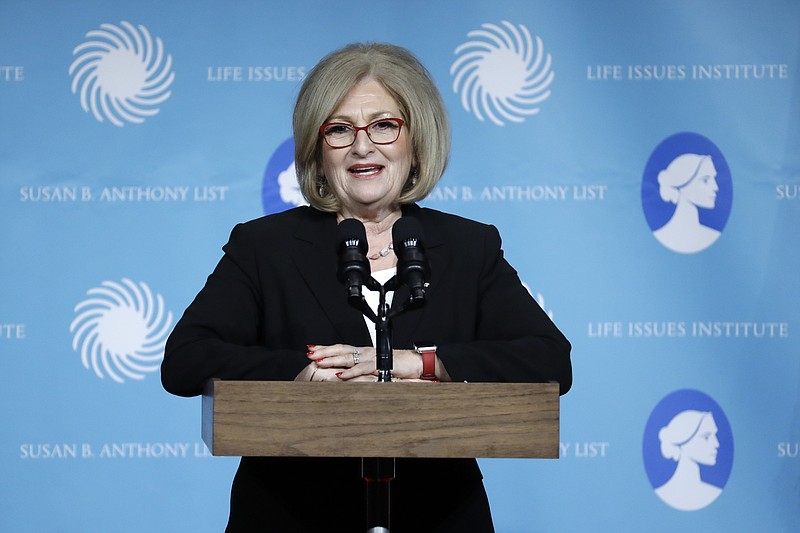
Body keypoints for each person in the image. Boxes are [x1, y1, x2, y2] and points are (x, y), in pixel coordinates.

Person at [161, 42, 572, 532]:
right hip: (292, 514)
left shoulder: (468, 246)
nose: (362, 146)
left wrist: (421, 361)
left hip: (437, 514)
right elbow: (185, 358)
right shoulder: (264, 247)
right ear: (318, 150)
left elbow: (550, 359)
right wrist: (304, 371)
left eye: (383, 125)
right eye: (339, 129)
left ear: (416, 139)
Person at [652, 153, 721, 253]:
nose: (715, 187)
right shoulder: (662, 235)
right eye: (705, 180)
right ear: (682, 184)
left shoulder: (713, 235)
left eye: (714, 178)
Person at [655, 410, 722, 511]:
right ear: (683, 441)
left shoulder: (714, 491)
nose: (717, 444)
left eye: (715, 435)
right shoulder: (664, 492)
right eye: (706, 437)